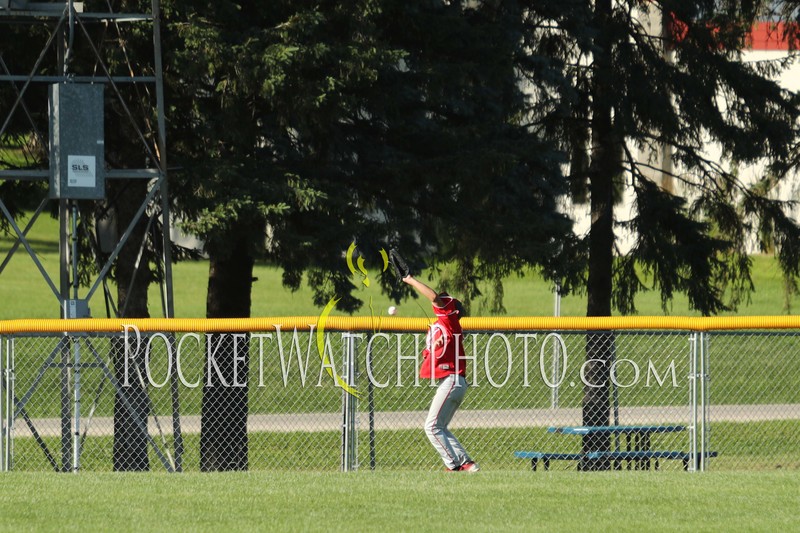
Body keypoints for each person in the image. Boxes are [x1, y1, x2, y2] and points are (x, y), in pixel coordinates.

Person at [402, 273, 479, 472]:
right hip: (455, 382)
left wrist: (410, 279)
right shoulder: (442, 329)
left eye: (445, 304)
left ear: (451, 310)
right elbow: (429, 353)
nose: (439, 305)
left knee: (431, 427)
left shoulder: (450, 322)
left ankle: (453, 466)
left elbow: (434, 297)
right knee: (440, 427)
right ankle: (467, 464)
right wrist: (434, 346)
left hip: (452, 381)